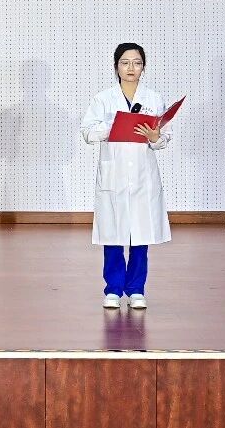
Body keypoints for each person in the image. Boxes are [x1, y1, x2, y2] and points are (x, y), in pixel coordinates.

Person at [79, 42, 172, 310]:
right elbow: (87, 132)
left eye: (137, 63)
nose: (131, 68)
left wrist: (155, 136)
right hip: (114, 174)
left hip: (143, 175)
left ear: (144, 67)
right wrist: (112, 127)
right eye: (125, 62)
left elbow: (163, 138)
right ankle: (113, 289)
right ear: (116, 66)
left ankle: (136, 290)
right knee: (113, 235)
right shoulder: (103, 99)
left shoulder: (153, 98)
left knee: (140, 235)